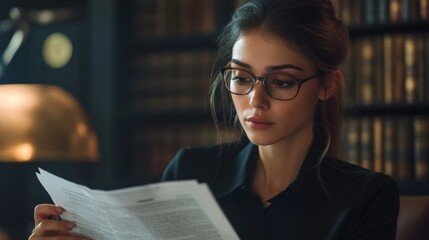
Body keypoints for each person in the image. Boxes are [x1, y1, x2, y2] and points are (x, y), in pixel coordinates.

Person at [29, 0, 399, 239]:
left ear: (327, 86)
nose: (256, 100)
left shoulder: (366, 197)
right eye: (241, 77)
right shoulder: (191, 168)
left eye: (282, 82)